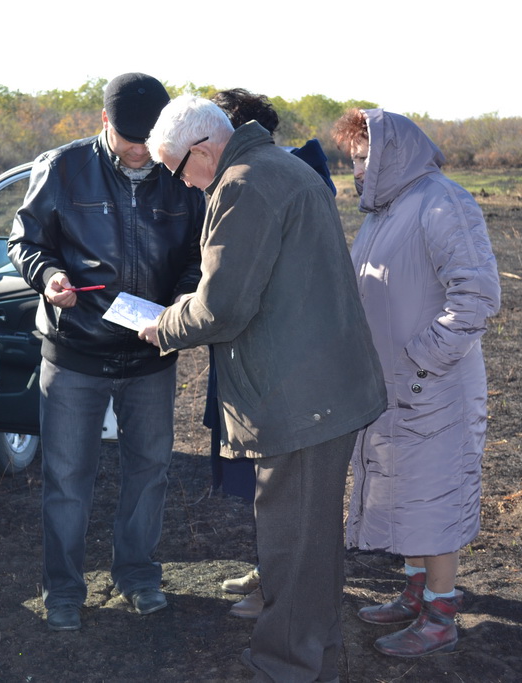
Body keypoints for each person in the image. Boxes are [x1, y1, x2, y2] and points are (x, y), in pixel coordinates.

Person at [140, 95, 386, 683]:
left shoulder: (243, 184)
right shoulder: (283, 167)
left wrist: (164, 325)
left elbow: (223, 307)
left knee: (291, 548)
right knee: (313, 543)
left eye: (178, 170)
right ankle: (316, 653)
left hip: (299, 398)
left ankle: (281, 666)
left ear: (202, 149)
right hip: (323, 389)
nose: (184, 185)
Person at [8, 73, 204, 632]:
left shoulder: (180, 176)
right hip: (74, 352)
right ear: (103, 122)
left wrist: (181, 304)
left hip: (152, 355)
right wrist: (49, 277)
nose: (142, 149)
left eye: (152, 137)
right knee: (67, 479)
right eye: (129, 136)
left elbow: (197, 254)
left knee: (150, 471)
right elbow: (25, 241)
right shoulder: (62, 167)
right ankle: (63, 590)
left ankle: (138, 575)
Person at [331, 108, 501, 657]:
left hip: (434, 388)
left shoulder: (443, 202)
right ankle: (414, 592)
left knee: (435, 498)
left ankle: (441, 614)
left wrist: (423, 361)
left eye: (362, 158)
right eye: (352, 160)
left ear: (391, 155)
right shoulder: (386, 212)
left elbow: (475, 296)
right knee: (405, 493)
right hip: (392, 388)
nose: (355, 170)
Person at [207, 88, 341, 620]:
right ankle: (270, 572)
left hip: (281, 363)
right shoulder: (259, 177)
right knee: (260, 484)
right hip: (244, 356)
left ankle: (281, 595)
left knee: (284, 488)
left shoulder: (266, 182)